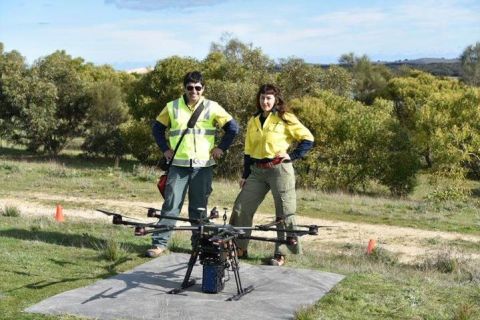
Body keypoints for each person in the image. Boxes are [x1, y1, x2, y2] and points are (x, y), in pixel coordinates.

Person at [148, 71, 239, 257]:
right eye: (190, 87)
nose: (194, 91)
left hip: (203, 167)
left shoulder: (212, 107)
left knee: (198, 209)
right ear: (185, 88)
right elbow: (157, 128)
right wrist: (165, 149)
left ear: (203, 89)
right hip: (178, 166)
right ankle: (159, 244)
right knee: (171, 205)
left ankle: (198, 245)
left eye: (198, 88)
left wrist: (221, 148)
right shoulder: (172, 107)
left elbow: (233, 128)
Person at [229, 84, 314, 266]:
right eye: (262, 98)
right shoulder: (254, 120)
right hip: (257, 170)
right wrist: (245, 174)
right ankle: (239, 247)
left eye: (268, 98)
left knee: (284, 212)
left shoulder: (285, 117)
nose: (265, 101)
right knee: (241, 207)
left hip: (279, 170)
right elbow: (248, 151)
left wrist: (292, 155)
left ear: (275, 99)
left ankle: (281, 253)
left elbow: (308, 138)